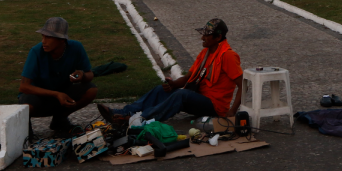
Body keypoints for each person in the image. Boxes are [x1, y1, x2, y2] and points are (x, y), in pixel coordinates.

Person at [99, 19, 242, 124]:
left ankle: (139, 119)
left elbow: (243, 85)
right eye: (203, 34)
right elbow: (188, 78)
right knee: (160, 90)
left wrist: (232, 111)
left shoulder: (228, 56)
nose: (202, 38)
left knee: (181, 95)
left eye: (206, 35)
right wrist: (173, 85)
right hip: (197, 97)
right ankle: (123, 112)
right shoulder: (205, 52)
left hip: (215, 107)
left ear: (218, 37)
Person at [18, 17, 97, 134]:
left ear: (62, 40)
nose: (43, 41)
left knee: (91, 90)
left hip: (63, 92)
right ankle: (24, 132)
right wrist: (56, 94)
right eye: (43, 37)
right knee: (25, 107)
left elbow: (90, 74)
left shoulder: (76, 48)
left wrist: (82, 75)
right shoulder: (36, 51)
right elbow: (24, 87)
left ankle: (59, 120)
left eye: (48, 37)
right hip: (39, 96)